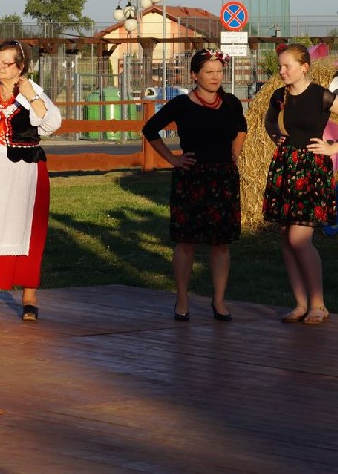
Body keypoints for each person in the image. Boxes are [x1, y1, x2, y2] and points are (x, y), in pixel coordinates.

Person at [0, 40, 62, 323]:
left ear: (21, 66)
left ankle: (29, 297)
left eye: (6, 63)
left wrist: (32, 97)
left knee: (26, 231)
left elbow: (52, 124)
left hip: (24, 173)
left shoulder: (32, 92)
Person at [142, 49, 247, 322]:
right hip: (191, 178)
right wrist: (172, 159)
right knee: (186, 242)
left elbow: (241, 128)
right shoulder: (181, 104)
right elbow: (150, 129)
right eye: (209, 72)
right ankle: (182, 299)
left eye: (219, 72)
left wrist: (235, 153)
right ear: (194, 75)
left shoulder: (231, 102)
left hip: (223, 178)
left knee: (221, 243)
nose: (215, 77)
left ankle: (219, 301)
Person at [263, 43, 337, 325]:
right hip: (285, 168)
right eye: (280, 66)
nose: (282, 71)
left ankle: (318, 304)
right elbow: (270, 121)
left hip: (311, 171)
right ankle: (300, 304)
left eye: (287, 66)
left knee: (299, 238)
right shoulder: (279, 96)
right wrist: (275, 135)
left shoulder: (322, 96)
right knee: (286, 237)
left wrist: (333, 147)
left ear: (304, 67)